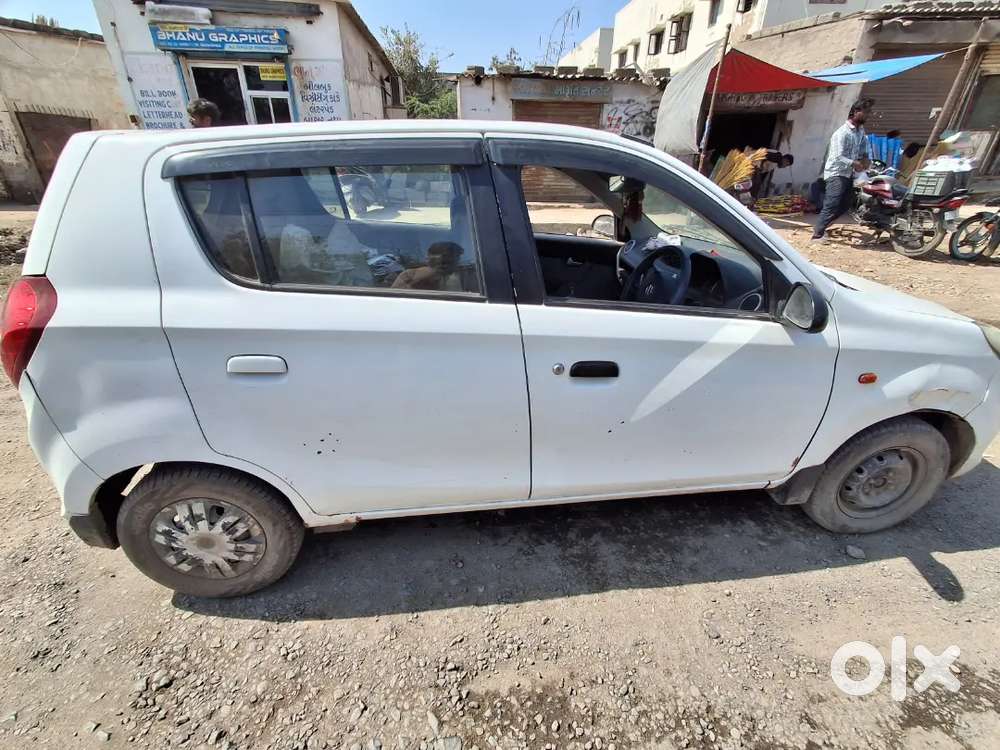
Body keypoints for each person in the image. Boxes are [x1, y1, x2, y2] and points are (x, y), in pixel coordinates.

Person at [810, 101, 871, 242]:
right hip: (836, 173)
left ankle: (823, 225)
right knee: (832, 203)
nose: (867, 115)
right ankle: (817, 235)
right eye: (865, 112)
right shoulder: (842, 133)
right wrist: (854, 163)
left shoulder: (860, 131)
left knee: (846, 203)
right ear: (855, 112)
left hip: (848, 173)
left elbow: (863, 150)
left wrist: (866, 158)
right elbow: (838, 156)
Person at [392, 242, 466, 292]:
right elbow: (395, 300)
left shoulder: (459, 277)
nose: (458, 263)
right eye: (448, 260)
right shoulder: (410, 276)